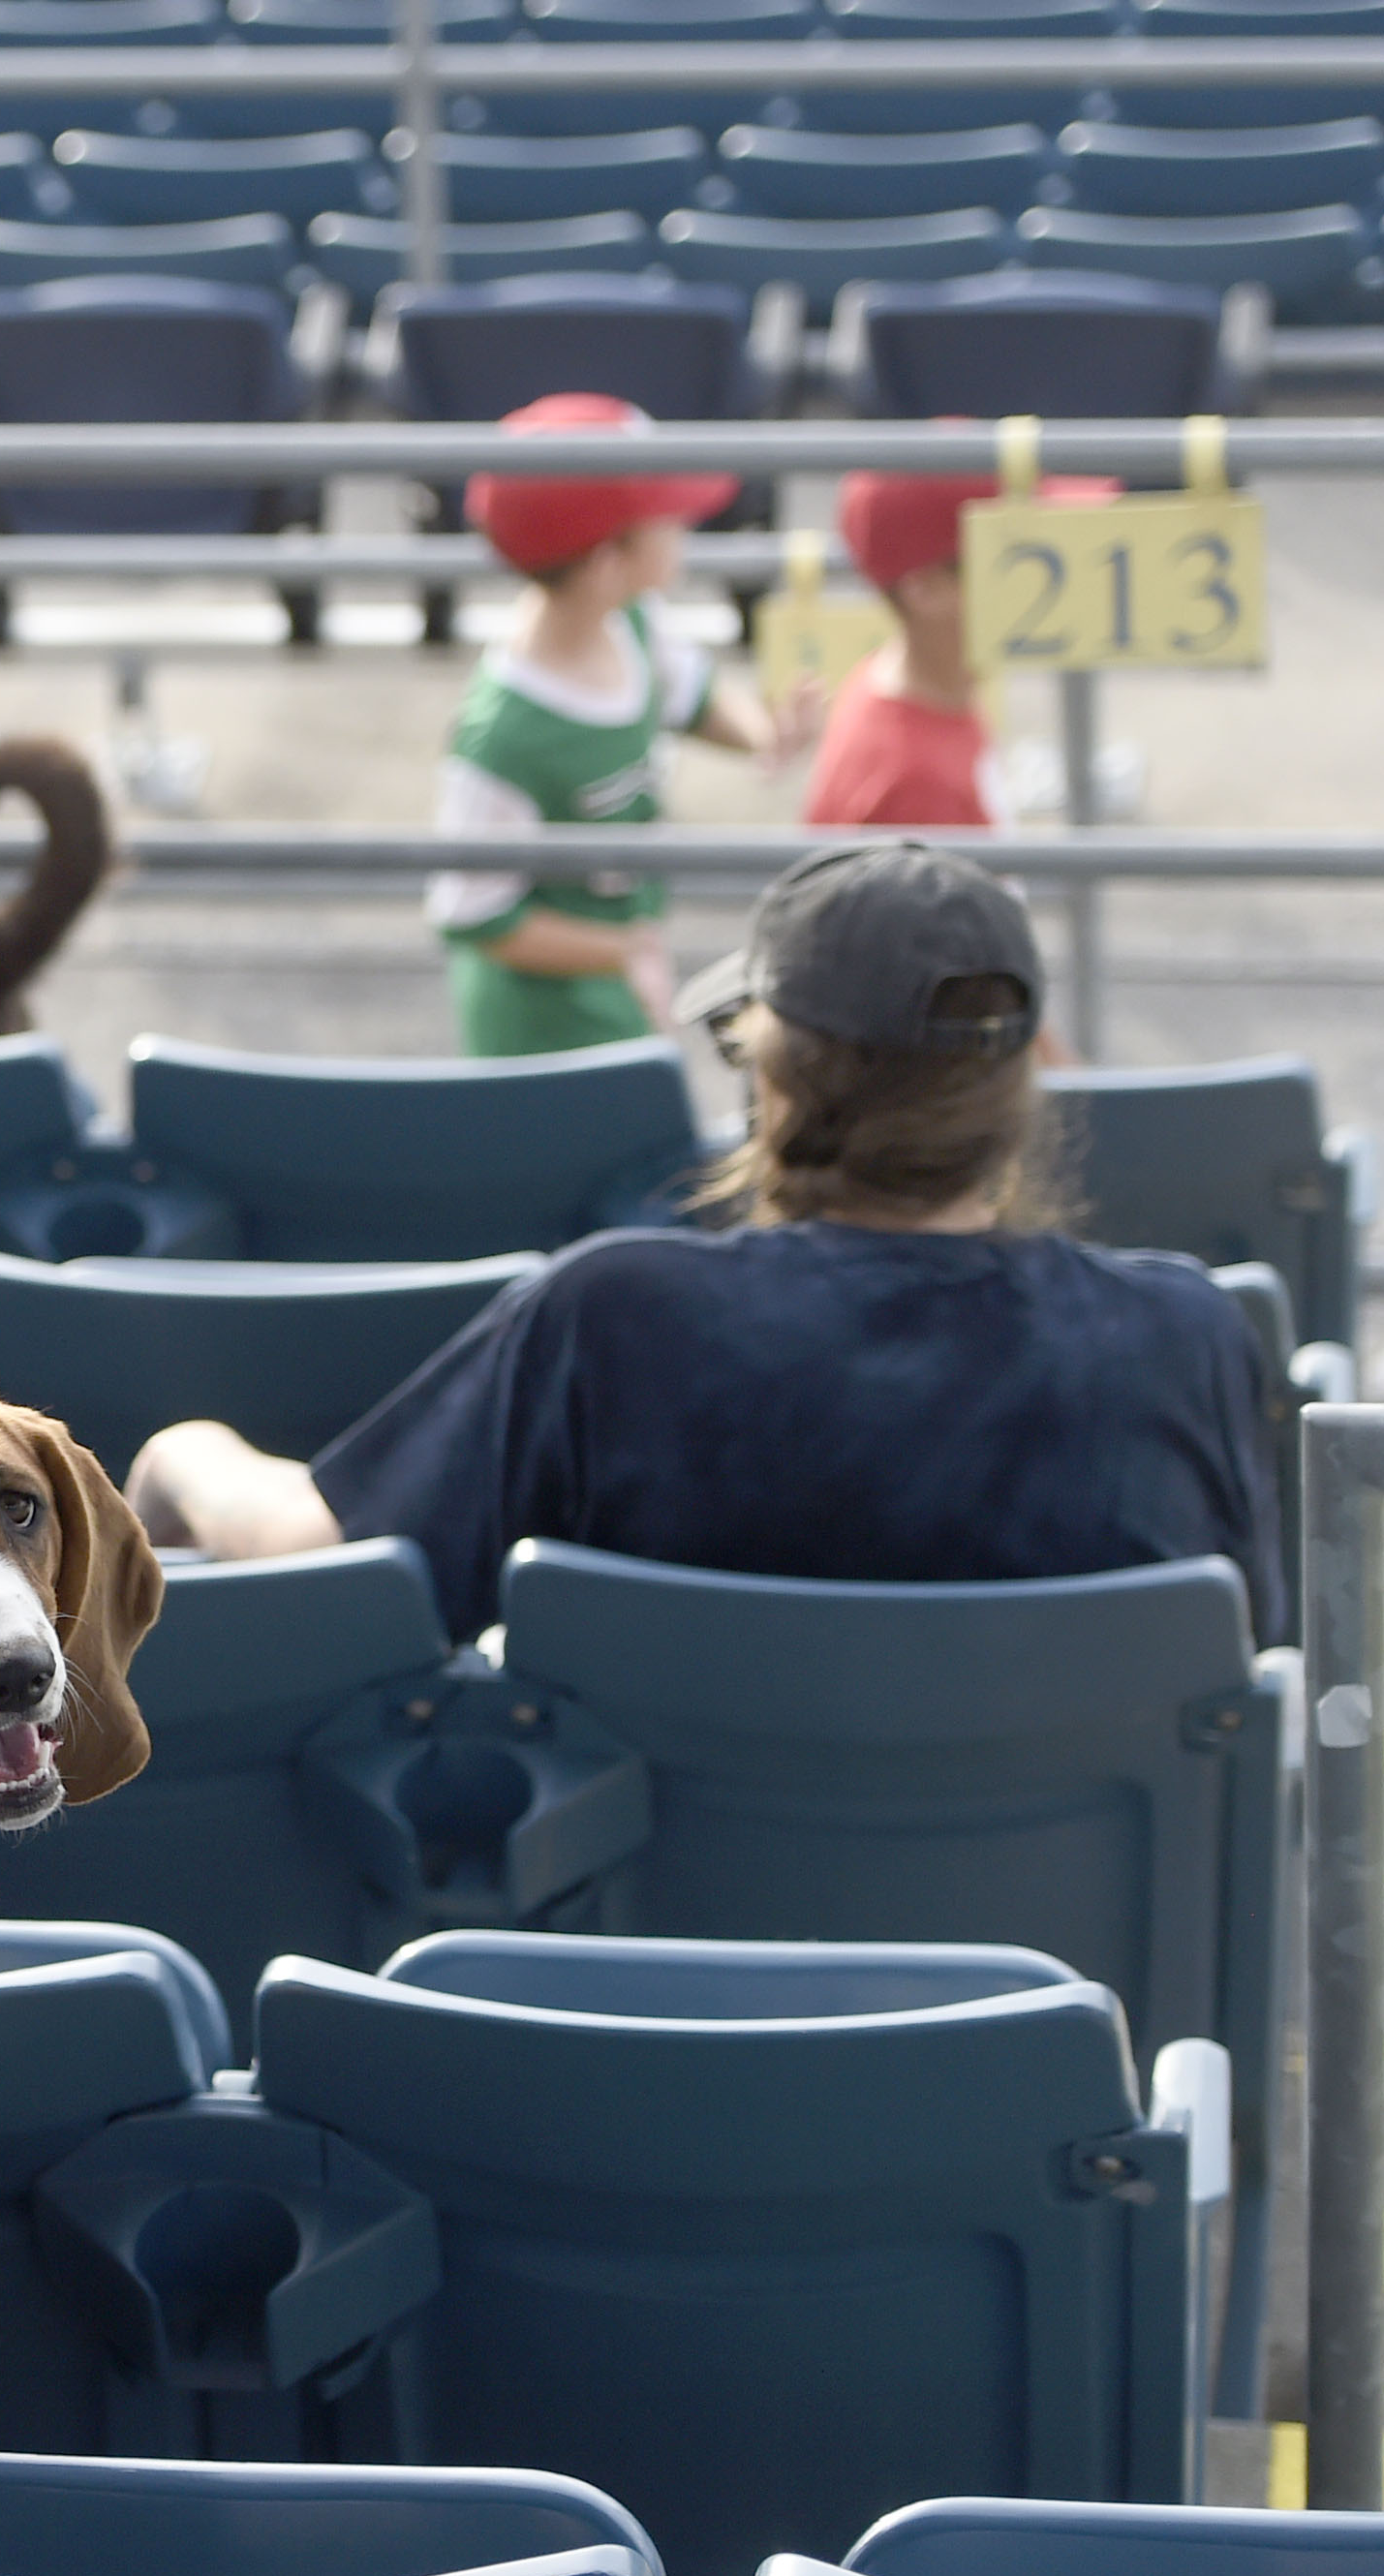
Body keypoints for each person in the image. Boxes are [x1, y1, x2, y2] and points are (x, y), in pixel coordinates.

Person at [129, 840, 1281, 1643]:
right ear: (1024, 1081)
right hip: (1077, 1981)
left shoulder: (612, 1320)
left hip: (643, 1981)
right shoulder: (1184, 1338)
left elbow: (328, 1565)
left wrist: (185, 1452)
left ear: (771, 1076)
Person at [431, 395, 814, 1058]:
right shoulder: (504, 739)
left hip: (619, 966)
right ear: (609, 561)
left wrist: (762, 734)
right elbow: (477, 914)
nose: (685, 526)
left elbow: (692, 696)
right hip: (539, 1017)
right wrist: (623, 950)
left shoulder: (632, 623)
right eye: (666, 518)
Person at [803, 459, 1123, 832]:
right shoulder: (917, 787)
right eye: (1026, 557)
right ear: (927, 589)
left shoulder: (938, 687)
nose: (1056, 574)